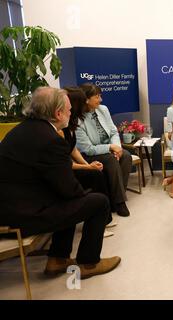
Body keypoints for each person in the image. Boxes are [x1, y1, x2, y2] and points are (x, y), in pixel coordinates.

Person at [0, 87, 121, 279]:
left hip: (10, 207)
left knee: (70, 200)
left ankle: (57, 260)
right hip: (19, 216)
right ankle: (89, 263)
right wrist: (85, 198)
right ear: (58, 113)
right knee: (98, 203)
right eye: (69, 109)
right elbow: (69, 190)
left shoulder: (23, 129)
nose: (72, 113)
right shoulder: (49, 139)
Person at [64, 87, 116, 237]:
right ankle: (101, 222)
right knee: (95, 176)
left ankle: (106, 218)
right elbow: (64, 162)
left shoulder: (70, 122)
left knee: (96, 173)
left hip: (72, 163)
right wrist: (87, 167)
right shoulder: (61, 128)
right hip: (64, 169)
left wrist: (87, 166)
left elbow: (72, 149)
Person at [75, 83, 132, 217]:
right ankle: (119, 202)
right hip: (89, 155)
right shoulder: (78, 120)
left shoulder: (103, 109)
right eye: (97, 96)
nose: (100, 100)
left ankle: (117, 196)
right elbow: (88, 149)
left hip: (109, 149)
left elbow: (113, 131)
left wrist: (116, 147)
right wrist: (110, 148)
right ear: (86, 99)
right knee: (111, 160)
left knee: (126, 156)